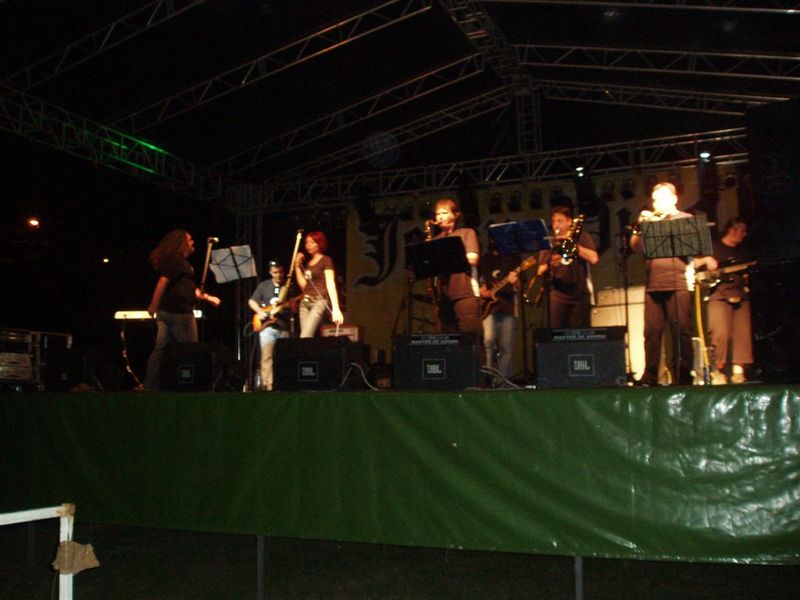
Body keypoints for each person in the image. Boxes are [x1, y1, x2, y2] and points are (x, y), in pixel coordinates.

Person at [630, 182, 697, 386]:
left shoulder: (685, 218)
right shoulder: (650, 222)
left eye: (662, 198)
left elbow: (692, 246)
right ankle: (650, 377)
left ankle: (683, 376)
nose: (657, 203)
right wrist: (641, 227)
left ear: (674, 199)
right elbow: (635, 247)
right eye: (655, 199)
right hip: (653, 284)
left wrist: (660, 224)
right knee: (651, 333)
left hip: (678, 283)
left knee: (681, 332)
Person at [143, 229, 220, 390]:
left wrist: (208, 298)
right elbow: (162, 282)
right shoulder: (177, 260)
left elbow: (190, 290)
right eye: (189, 239)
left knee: (161, 350)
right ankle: (189, 386)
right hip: (179, 313)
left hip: (168, 312)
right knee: (189, 351)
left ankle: (152, 386)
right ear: (182, 243)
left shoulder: (180, 262)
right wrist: (153, 304)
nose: (192, 242)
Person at [705, 217, 753, 384]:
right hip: (719, 295)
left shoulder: (743, 252)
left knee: (743, 333)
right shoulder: (714, 248)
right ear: (732, 230)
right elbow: (697, 266)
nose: (744, 234)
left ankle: (738, 372)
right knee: (720, 334)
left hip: (741, 295)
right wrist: (707, 261)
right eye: (742, 231)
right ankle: (718, 372)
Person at [536, 205, 599, 328]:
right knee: (556, 333)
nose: (556, 225)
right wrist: (548, 264)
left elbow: (594, 259)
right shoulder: (550, 242)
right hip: (557, 295)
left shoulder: (581, 236)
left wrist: (574, 246)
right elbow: (540, 270)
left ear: (569, 222)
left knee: (580, 334)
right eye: (554, 221)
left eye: (560, 221)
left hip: (579, 294)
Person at [432, 198, 481, 340]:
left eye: (444, 213)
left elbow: (473, 258)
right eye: (437, 214)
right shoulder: (435, 240)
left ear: (455, 215)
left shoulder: (466, 233)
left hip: (465, 292)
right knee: (447, 339)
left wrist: (448, 256)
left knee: (470, 338)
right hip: (443, 295)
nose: (440, 217)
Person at [248, 260, 292, 391]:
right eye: (275, 272)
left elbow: (294, 307)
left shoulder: (289, 287)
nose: (278, 275)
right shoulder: (264, 286)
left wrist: (289, 306)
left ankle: (283, 384)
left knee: (284, 357)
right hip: (267, 328)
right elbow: (251, 301)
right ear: (270, 272)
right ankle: (268, 386)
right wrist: (260, 312)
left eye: (280, 272)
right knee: (267, 356)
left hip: (284, 326)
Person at [479, 243, 520, 381]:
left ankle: (503, 380)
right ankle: (488, 377)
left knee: (506, 346)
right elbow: (478, 279)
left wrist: (515, 281)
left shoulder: (513, 258)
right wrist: (481, 289)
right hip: (488, 308)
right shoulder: (484, 259)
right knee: (488, 341)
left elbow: (520, 286)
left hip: (507, 306)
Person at [294, 231, 344, 337]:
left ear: (319, 244)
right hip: (304, 303)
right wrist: (297, 266)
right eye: (306, 243)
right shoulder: (308, 263)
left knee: (305, 335)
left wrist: (336, 308)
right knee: (306, 338)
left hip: (318, 302)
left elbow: (330, 284)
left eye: (312, 242)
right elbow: (304, 286)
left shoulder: (326, 260)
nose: (308, 245)